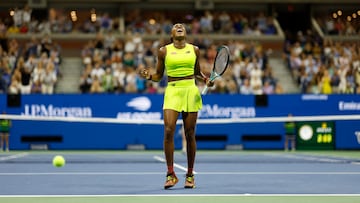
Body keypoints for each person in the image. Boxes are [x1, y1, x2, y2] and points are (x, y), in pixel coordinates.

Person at [139, 23, 213, 189]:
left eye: (182, 26)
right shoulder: (164, 51)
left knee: (190, 133)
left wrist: (206, 79)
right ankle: (170, 174)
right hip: (172, 91)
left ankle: (190, 175)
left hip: (190, 90)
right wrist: (149, 76)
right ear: (171, 33)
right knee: (169, 130)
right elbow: (158, 75)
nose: (179, 26)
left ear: (185, 33)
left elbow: (196, 73)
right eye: (175, 26)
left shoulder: (194, 50)